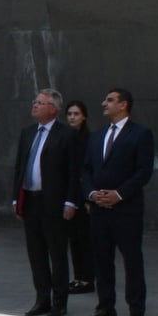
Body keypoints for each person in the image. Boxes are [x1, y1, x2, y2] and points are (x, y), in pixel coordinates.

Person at [79, 88, 154, 316]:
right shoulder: (97, 136)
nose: (104, 103)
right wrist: (92, 194)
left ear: (123, 105)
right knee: (101, 260)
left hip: (126, 210)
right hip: (99, 209)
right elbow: (86, 170)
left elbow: (143, 171)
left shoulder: (141, 134)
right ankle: (105, 307)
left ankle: (136, 310)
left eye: (110, 100)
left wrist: (118, 194)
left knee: (132, 261)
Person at [12, 89, 82, 316]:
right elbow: (20, 167)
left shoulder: (67, 135)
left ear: (53, 108)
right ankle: (41, 299)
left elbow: (74, 172)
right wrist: (16, 198)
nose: (34, 105)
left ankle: (59, 302)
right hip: (30, 201)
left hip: (54, 202)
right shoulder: (27, 133)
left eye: (40, 103)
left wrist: (71, 201)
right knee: (36, 253)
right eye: (34, 101)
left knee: (57, 253)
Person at [62, 99, 96, 295]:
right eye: (69, 114)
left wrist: (87, 198)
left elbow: (86, 171)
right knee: (74, 238)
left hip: (83, 196)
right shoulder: (67, 137)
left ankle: (87, 278)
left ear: (84, 116)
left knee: (85, 239)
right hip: (69, 195)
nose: (72, 117)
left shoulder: (88, 139)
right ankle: (78, 277)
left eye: (76, 114)